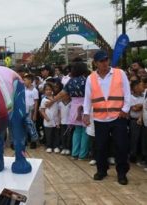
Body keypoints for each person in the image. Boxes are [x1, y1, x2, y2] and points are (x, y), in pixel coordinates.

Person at [83, 50, 131, 185]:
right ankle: (101, 170)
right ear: (96, 63)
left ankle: (122, 173)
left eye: (106, 60)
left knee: (121, 146)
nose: (104, 63)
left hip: (118, 116)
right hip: (99, 118)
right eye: (101, 61)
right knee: (100, 147)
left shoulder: (119, 73)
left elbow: (127, 93)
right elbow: (87, 98)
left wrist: (125, 109)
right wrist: (86, 114)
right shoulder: (91, 78)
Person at [47, 61, 89, 160]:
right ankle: (82, 155)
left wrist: (52, 101)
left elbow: (62, 93)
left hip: (74, 107)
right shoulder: (87, 80)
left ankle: (74, 153)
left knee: (77, 131)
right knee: (85, 131)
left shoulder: (71, 81)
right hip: (85, 106)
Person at [39, 83, 60, 153]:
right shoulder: (43, 100)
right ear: (44, 91)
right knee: (48, 134)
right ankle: (49, 146)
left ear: (52, 90)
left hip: (56, 120)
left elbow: (58, 109)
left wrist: (59, 119)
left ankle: (56, 146)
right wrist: (46, 117)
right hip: (48, 120)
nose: (48, 91)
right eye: (46, 90)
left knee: (56, 134)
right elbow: (42, 110)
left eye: (50, 89)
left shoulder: (56, 99)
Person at [129, 80, 145, 163]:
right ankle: (133, 155)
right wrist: (142, 106)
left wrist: (141, 106)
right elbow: (134, 109)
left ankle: (143, 156)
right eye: (140, 85)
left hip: (144, 120)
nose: (142, 87)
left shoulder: (144, 95)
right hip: (134, 120)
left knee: (143, 138)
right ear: (135, 87)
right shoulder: (130, 97)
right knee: (134, 138)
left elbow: (140, 107)